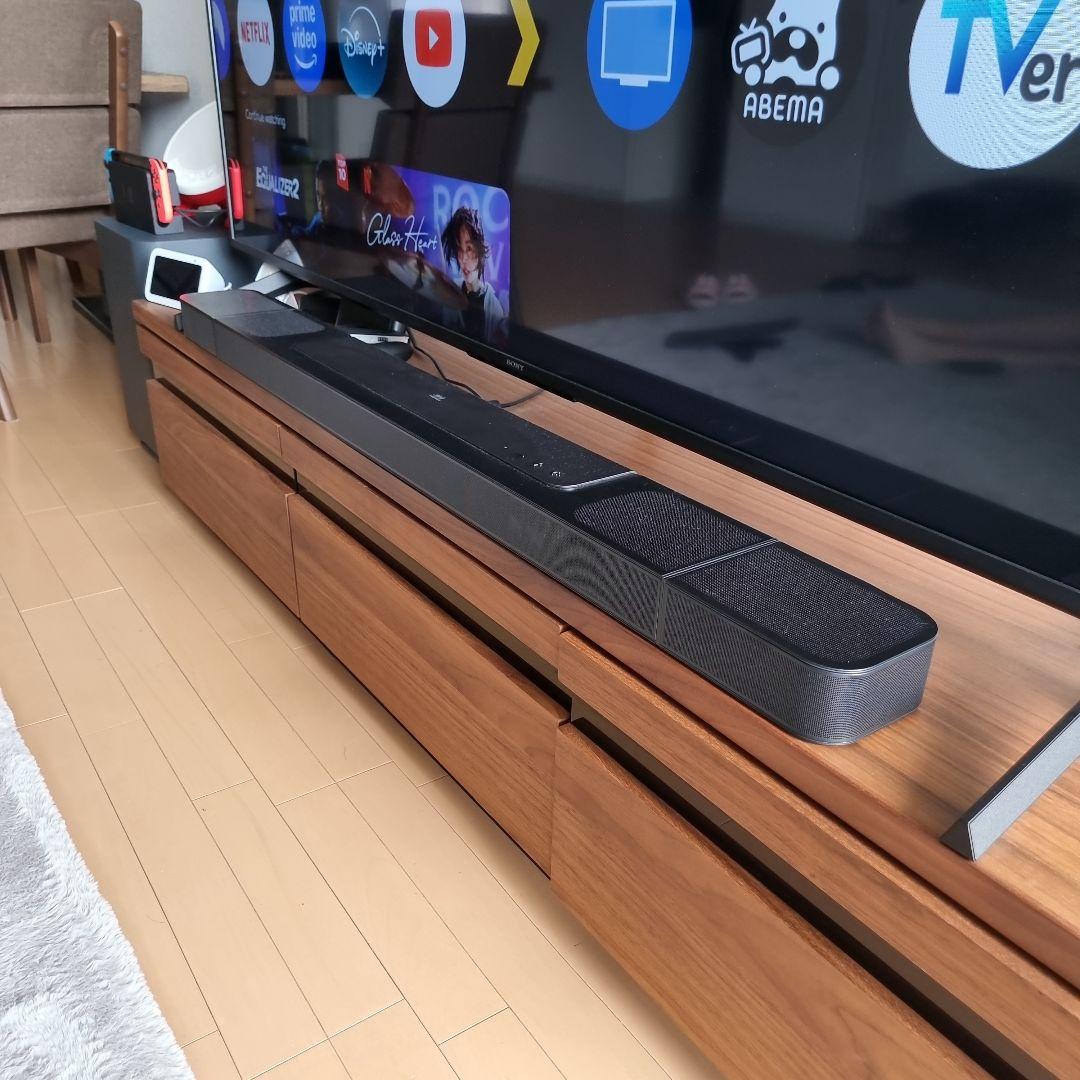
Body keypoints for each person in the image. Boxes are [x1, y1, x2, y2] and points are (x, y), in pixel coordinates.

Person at [440, 207, 507, 342]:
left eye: (469, 248)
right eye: (459, 249)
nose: (463, 258)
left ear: (479, 249)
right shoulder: (450, 294)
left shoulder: (494, 306)